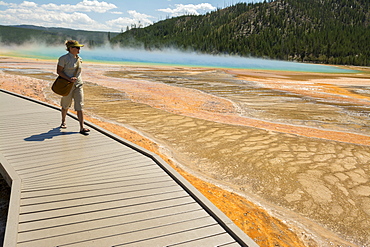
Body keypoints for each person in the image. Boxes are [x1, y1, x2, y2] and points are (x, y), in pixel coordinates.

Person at [57, 40, 90, 135]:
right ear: (71, 48)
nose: (79, 49)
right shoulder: (63, 59)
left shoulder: (79, 59)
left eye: (79, 47)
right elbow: (59, 71)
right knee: (65, 105)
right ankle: (63, 121)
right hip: (67, 85)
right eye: (77, 47)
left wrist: (76, 80)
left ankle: (82, 127)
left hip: (78, 85)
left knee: (80, 105)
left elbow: (79, 72)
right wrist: (69, 78)